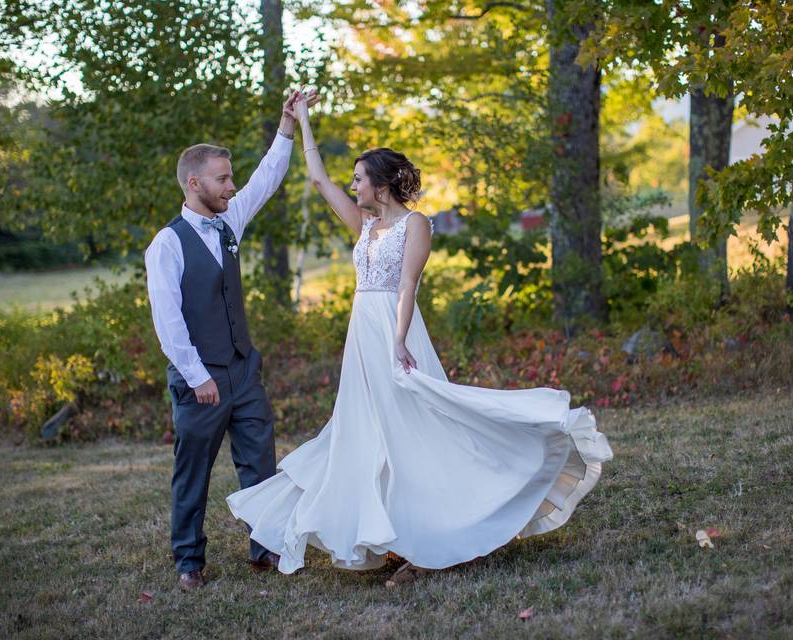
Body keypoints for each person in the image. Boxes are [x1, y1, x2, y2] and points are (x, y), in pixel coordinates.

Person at [227, 90, 613, 586]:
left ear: (381, 186)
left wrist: (399, 339)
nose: (353, 186)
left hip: (393, 329)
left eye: (359, 179)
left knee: (417, 431)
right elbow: (319, 179)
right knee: (370, 435)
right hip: (360, 337)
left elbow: (407, 284)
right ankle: (395, 537)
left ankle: (440, 537)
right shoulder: (362, 226)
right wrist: (301, 118)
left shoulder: (416, 225)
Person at [145, 89, 320, 592]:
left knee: (259, 460)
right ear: (194, 182)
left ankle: (265, 547)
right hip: (199, 375)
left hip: (243, 369)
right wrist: (197, 377)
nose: (231, 185)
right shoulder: (167, 244)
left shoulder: (228, 221)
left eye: (230, 177)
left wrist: (286, 128)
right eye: (223, 178)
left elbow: (267, 179)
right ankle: (188, 560)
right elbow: (168, 320)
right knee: (192, 471)